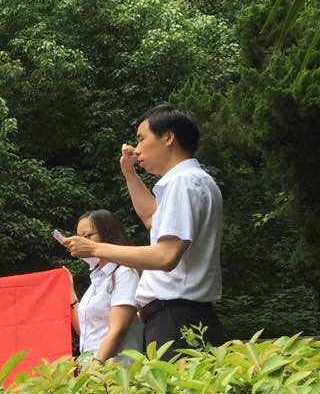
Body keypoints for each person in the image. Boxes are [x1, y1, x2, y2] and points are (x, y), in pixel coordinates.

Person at [67, 106, 225, 356]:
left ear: (168, 137)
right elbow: (152, 218)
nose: (137, 149)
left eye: (142, 139)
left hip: (176, 318)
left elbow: (165, 256)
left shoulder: (182, 183)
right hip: (183, 315)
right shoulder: (194, 180)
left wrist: (95, 248)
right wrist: (128, 172)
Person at [64, 210, 143, 362]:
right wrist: (70, 291)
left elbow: (117, 331)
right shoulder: (98, 278)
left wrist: (95, 365)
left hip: (116, 370)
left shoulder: (124, 273)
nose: (81, 242)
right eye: (79, 238)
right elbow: (86, 330)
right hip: (93, 370)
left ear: (108, 234)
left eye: (87, 236)